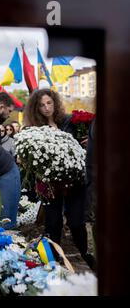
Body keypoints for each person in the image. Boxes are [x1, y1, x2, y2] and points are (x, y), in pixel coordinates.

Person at [24, 88, 95, 269]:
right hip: (49, 184)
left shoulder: (71, 122)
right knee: (53, 223)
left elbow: (90, 136)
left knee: (76, 221)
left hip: (74, 181)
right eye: (41, 105)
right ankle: (54, 262)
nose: (46, 108)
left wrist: (89, 140)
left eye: (49, 103)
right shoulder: (34, 130)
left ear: (55, 103)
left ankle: (85, 254)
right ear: (36, 109)